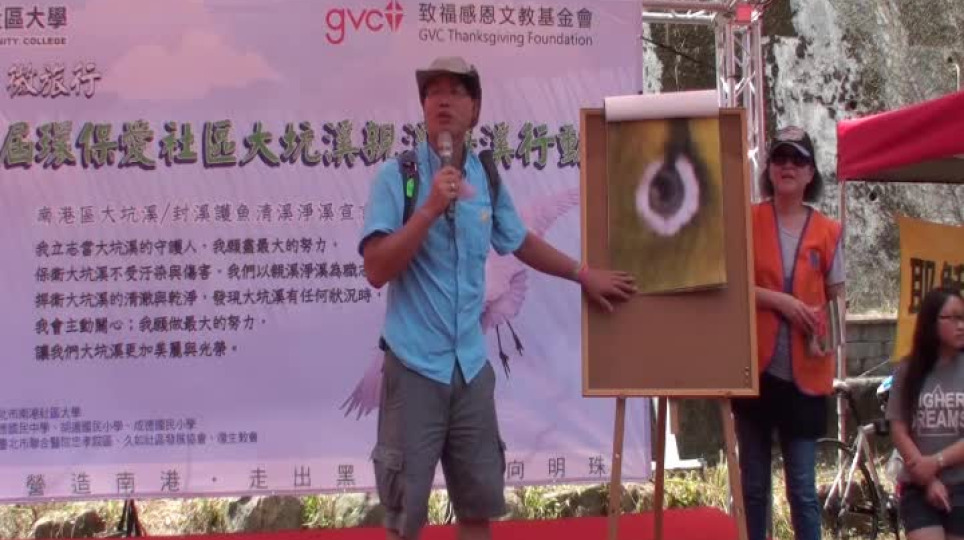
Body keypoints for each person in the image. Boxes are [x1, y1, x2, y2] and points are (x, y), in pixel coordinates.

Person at [357, 56, 637, 540]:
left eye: (456, 91)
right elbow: (376, 270)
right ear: (423, 108)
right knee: (405, 517)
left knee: (478, 508)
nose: (443, 100)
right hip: (413, 365)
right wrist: (428, 209)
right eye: (433, 91)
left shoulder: (486, 177)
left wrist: (583, 273)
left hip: (470, 368)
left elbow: (519, 241)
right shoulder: (397, 177)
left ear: (476, 108)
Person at [732, 125, 845, 540]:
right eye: (780, 157)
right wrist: (781, 302)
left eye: (798, 159)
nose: (788, 166)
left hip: (806, 378)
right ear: (769, 168)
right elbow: (731, 288)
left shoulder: (829, 231)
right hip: (754, 373)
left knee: (802, 490)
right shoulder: (747, 220)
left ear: (811, 173)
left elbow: (838, 301)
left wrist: (823, 337)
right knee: (753, 488)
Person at [885, 287, 964, 540]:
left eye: (963, 318)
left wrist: (936, 462)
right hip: (917, 485)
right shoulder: (908, 370)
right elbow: (899, 429)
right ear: (931, 322)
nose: (960, 326)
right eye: (952, 318)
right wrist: (927, 478)